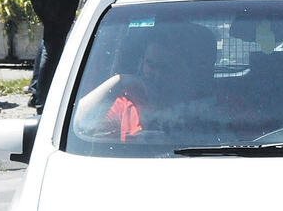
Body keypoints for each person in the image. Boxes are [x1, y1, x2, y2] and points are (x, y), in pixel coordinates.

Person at [73, 24, 216, 142]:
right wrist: (119, 81)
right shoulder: (127, 103)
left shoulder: (205, 108)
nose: (157, 74)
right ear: (141, 64)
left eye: (166, 67)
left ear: (185, 70)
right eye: (150, 64)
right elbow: (77, 124)